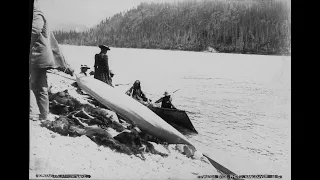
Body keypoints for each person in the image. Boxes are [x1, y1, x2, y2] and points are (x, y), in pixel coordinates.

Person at [30, 0, 74, 121]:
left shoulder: (36, 11)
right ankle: (44, 114)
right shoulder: (38, 10)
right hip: (42, 57)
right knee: (41, 85)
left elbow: (35, 30)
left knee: (33, 84)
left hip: (36, 56)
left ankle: (33, 113)